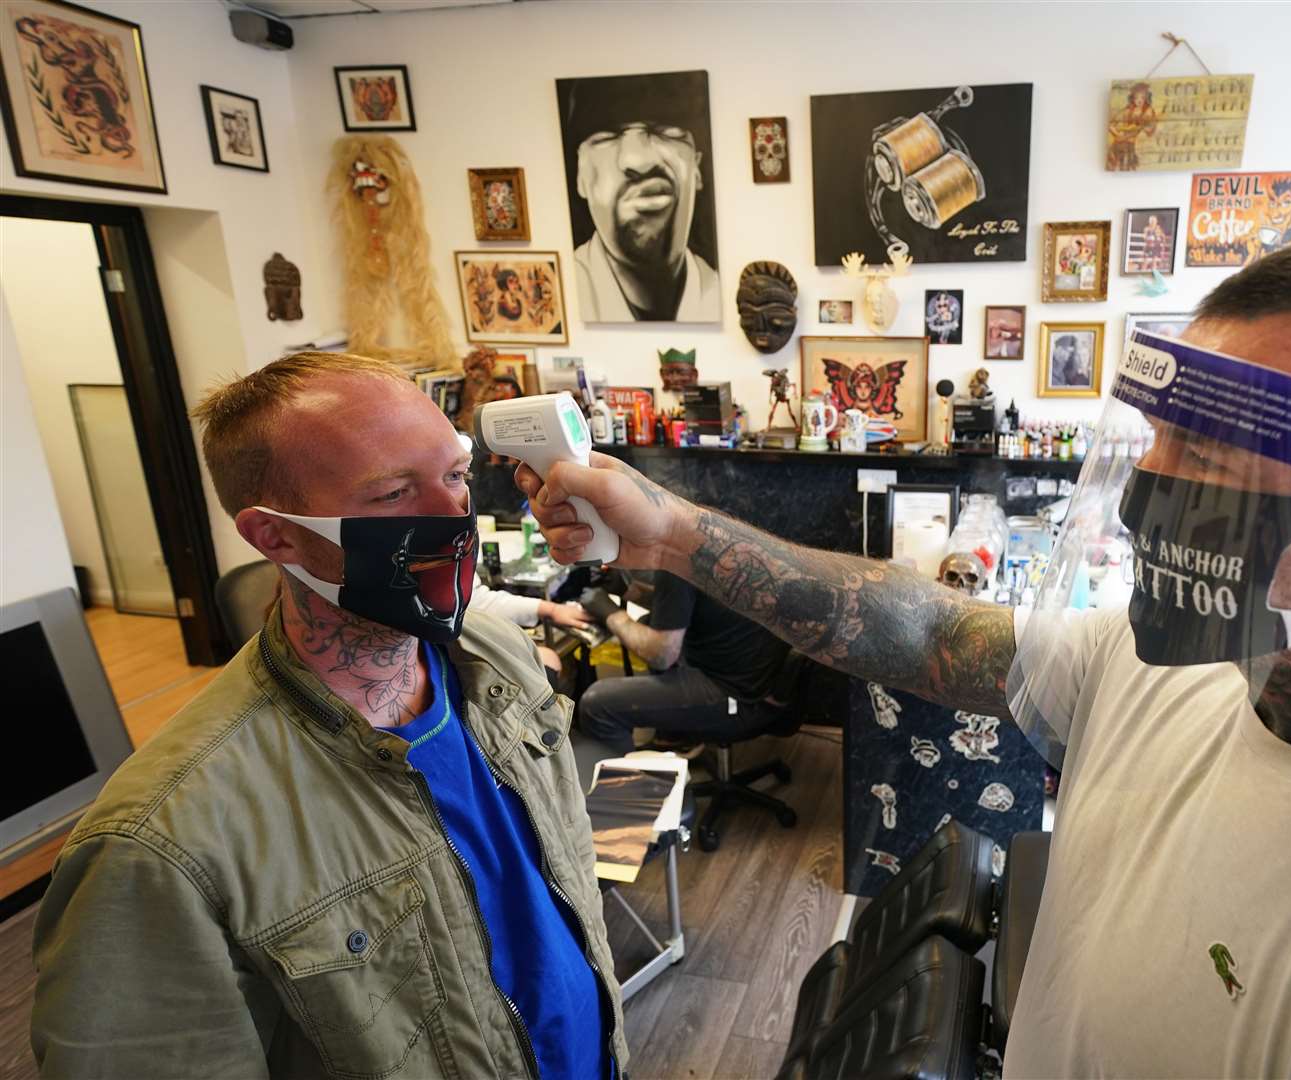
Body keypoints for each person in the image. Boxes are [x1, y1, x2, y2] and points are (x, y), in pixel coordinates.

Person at [517, 238, 1291, 1077]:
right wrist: (672, 528)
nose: (1147, 508)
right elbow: (924, 630)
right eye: (1154, 451)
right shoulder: (1191, 665)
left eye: (1212, 472)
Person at [33, 353, 627, 1078]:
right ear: (275, 536)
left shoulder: (497, 654)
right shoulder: (159, 843)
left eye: (455, 475)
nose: (454, 517)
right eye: (392, 493)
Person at [573, 572, 825, 754]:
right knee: (652, 622)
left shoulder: (676, 564)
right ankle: (677, 738)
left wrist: (610, 613)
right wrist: (627, 591)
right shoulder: (717, 551)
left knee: (598, 703)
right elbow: (688, 604)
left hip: (739, 698)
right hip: (763, 683)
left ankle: (625, 811)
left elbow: (661, 656)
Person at [570, 106, 719, 322]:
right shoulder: (559, 297)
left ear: (696, 168)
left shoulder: (724, 294)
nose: (639, 161)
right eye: (606, 136)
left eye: (667, 130)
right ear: (580, 178)